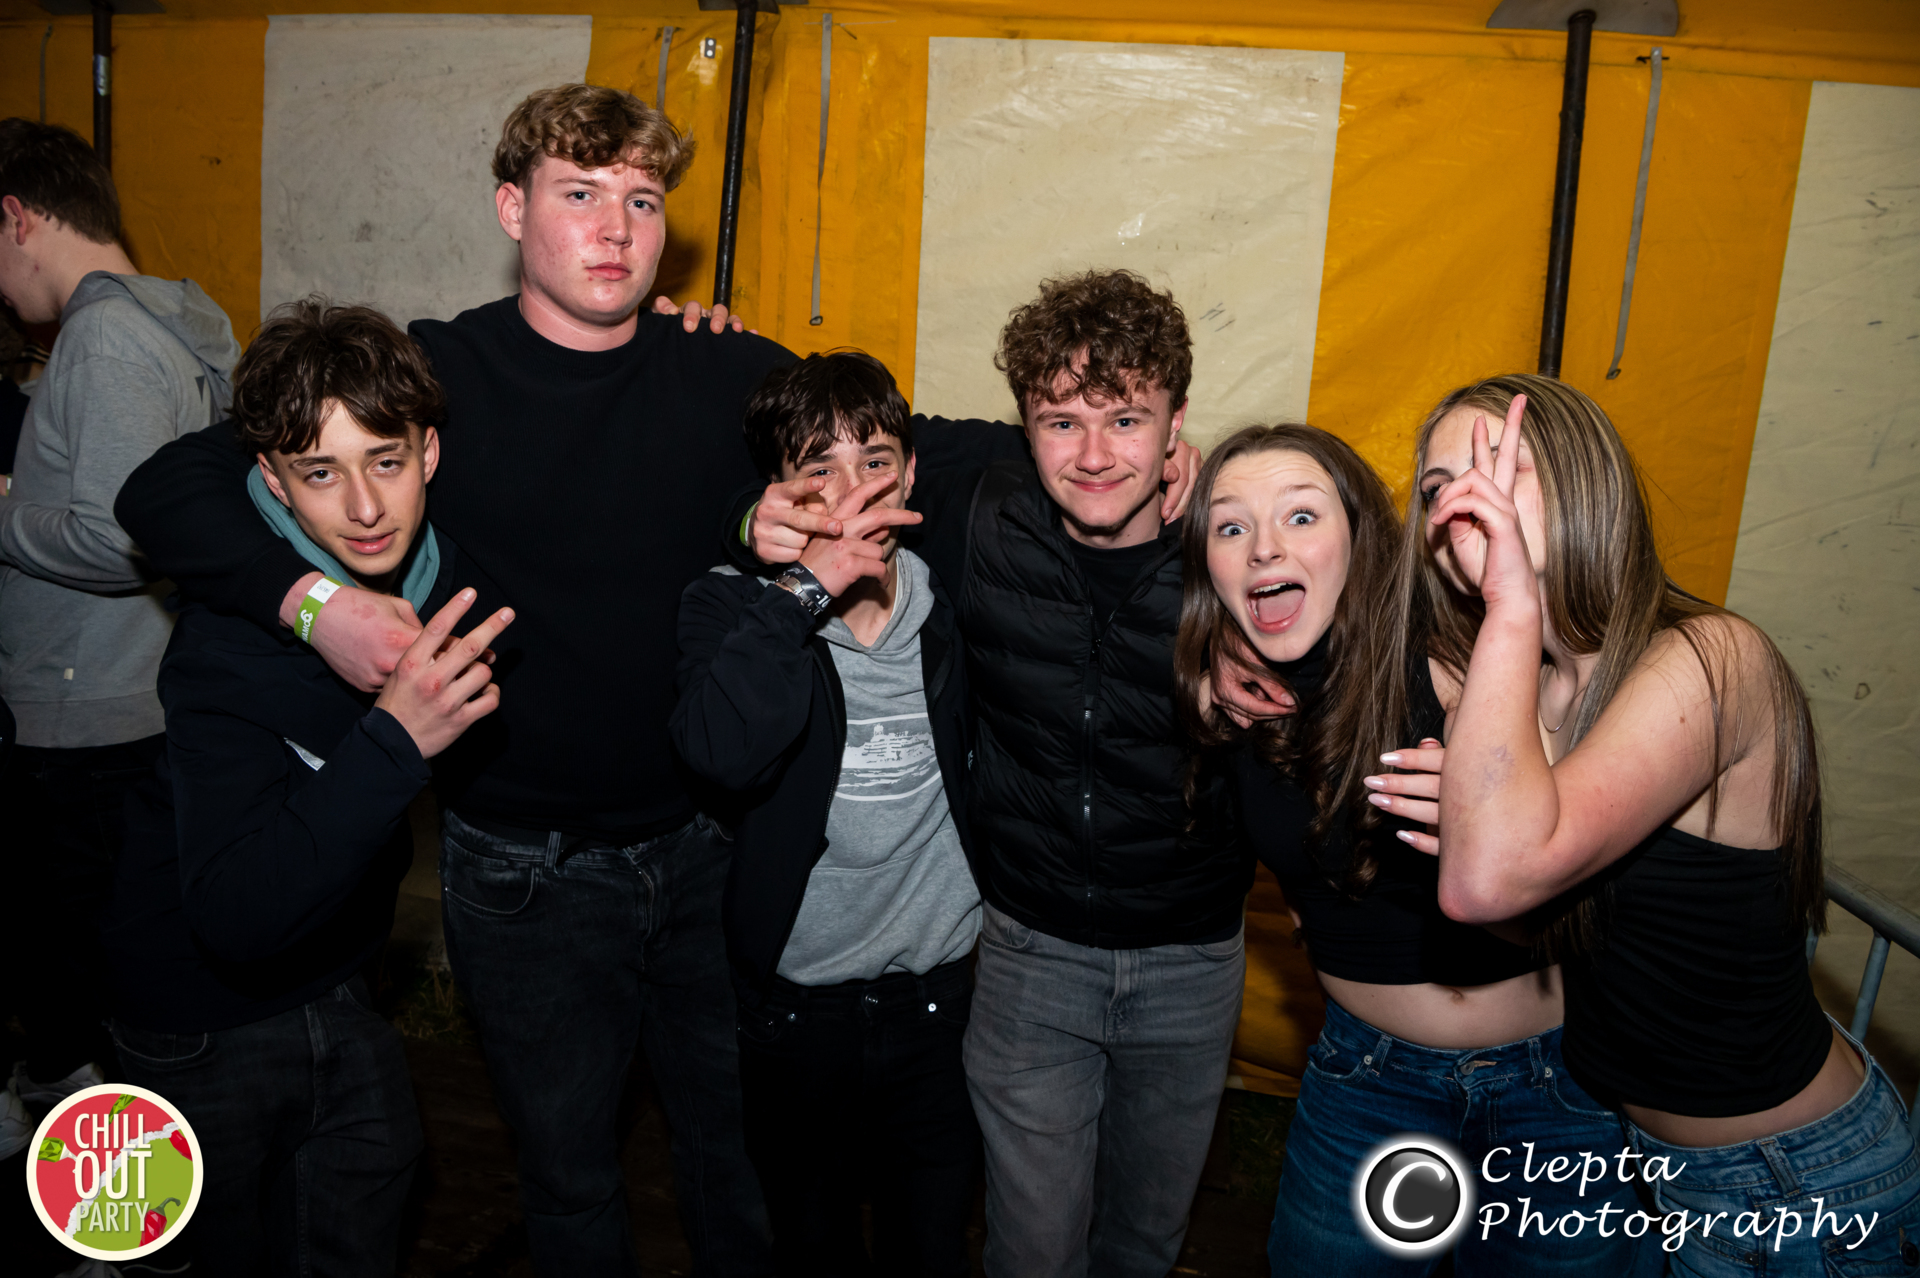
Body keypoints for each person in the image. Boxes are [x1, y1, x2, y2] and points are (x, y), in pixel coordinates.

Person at [115, 84, 789, 1275]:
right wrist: (314, 605)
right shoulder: (434, 377)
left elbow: (891, 438)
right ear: (511, 209)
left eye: (641, 201)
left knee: (738, 1161)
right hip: (527, 871)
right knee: (569, 1179)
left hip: (703, 847)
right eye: (579, 195)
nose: (616, 229)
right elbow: (170, 488)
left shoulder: (723, 367)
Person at [1370, 374, 1920, 1276]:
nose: (1465, 496)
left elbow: (1487, 886)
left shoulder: (1712, 658)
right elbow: (1533, 926)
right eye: (1438, 487)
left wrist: (1510, 609)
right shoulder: (1526, 692)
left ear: (1586, 482)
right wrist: (1466, 836)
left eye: (1499, 463)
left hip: (1799, 1184)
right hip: (1651, 1165)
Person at [741, 269, 1233, 1277]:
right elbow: (827, 439)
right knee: (1032, 1249)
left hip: (1190, 956)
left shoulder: (1233, 548)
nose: (1093, 455)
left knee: (1144, 1240)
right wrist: (744, 519)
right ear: (1023, 426)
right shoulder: (980, 503)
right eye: (1061, 422)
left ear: (1176, 424)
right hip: (1030, 954)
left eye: (1127, 420)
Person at [1175, 423, 1653, 1275]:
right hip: (1370, 1083)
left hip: (1555, 1087)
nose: (1263, 548)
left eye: (1301, 516)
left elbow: (1581, 898)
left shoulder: (1461, 664)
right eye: (1231, 527)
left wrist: (1489, 822)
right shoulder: (1229, 699)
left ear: (1363, 538)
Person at [101, 300, 512, 1274]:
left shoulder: (447, 582)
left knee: (363, 1206)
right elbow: (235, 916)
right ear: (274, 484)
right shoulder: (227, 644)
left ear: (430, 454)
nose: (366, 508)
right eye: (321, 473)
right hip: (192, 1014)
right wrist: (397, 741)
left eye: (386, 461)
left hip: (336, 979)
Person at [673, 350, 981, 1277]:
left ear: (910, 473)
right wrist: (801, 593)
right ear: (777, 494)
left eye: (875, 461)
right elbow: (721, 753)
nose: (852, 494)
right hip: (799, 1013)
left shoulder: (957, 598)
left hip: (943, 1003)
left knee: (932, 1245)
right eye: (819, 470)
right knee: (812, 1248)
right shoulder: (729, 607)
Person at [0, 116, 240, 1144]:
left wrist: (4, 512)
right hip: (135, 696)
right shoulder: (180, 319)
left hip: (87, 715)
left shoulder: (105, 338)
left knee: (91, 977)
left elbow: (120, 539)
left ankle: (116, 1198)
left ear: (17, 217)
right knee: (111, 968)